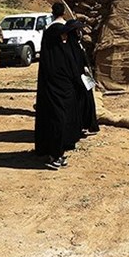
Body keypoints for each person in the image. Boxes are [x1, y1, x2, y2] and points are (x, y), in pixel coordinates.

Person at [34, 19, 83, 170]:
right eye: (62, 36)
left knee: (64, 123)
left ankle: (59, 152)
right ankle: (53, 155)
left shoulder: (63, 50)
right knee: (56, 123)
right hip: (54, 96)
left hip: (66, 95)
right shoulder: (50, 55)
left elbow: (74, 71)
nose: (64, 38)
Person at [63, 19, 100, 137]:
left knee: (88, 100)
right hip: (77, 78)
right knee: (80, 102)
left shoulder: (77, 43)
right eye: (77, 30)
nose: (80, 32)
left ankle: (88, 124)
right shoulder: (70, 46)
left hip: (84, 77)